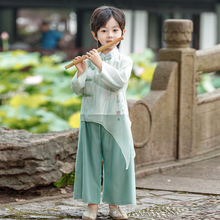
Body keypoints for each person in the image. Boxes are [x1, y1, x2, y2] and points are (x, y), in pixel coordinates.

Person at [70, 6, 136, 220]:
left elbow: (118, 83)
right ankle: (91, 206)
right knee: (89, 162)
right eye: (104, 31)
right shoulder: (88, 60)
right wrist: (81, 73)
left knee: (117, 163)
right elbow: (79, 90)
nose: (110, 35)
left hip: (115, 117)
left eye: (115, 30)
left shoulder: (125, 61)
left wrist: (100, 66)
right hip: (90, 116)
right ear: (94, 34)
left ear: (123, 33)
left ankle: (115, 206)